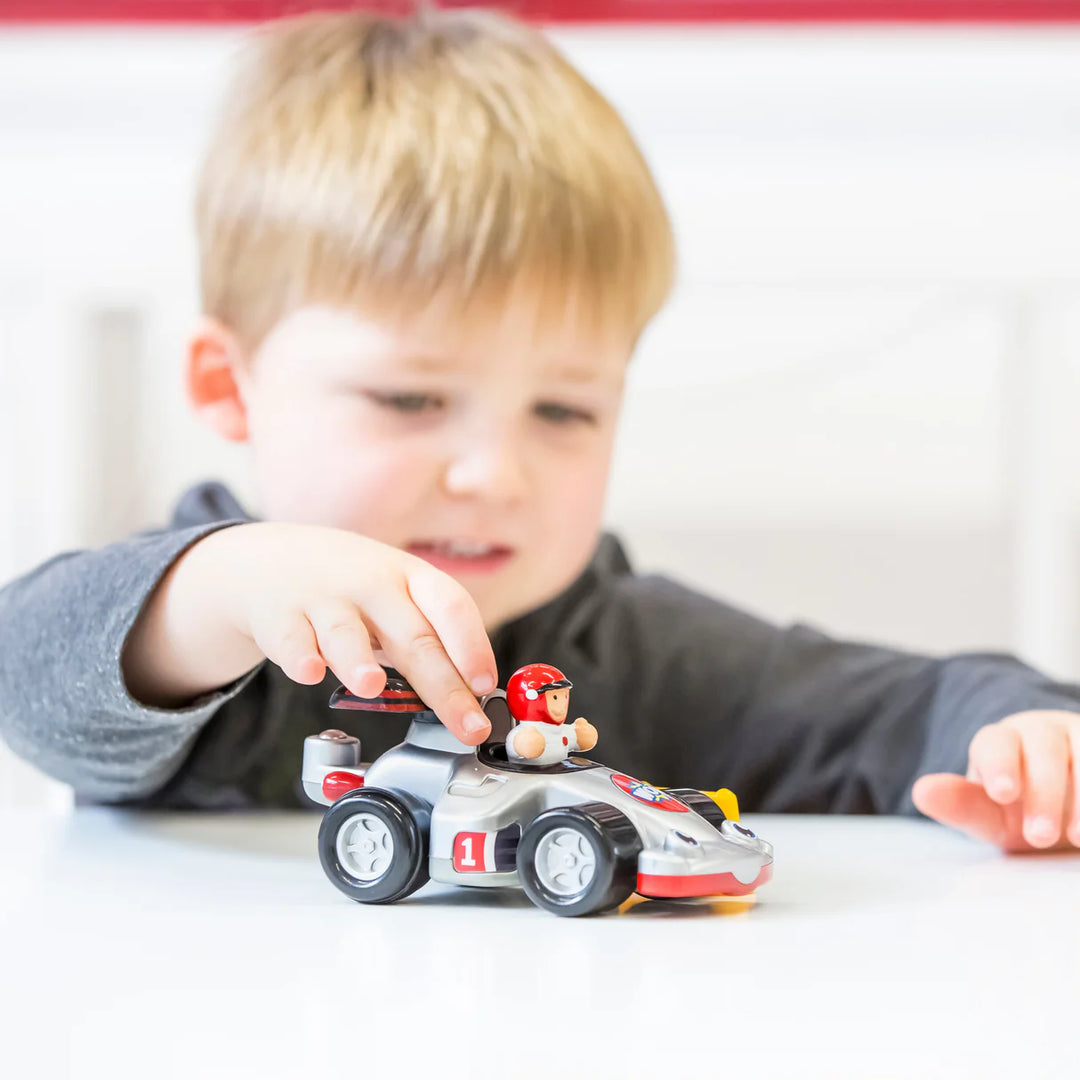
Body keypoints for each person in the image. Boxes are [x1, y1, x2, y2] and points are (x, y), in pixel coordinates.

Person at [0, 8, 1077, 856]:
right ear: (229, 389)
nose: (490, 471)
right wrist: (214, 590)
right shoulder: (217, 625)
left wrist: (1027, 743)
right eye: (409, 400)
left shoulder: (640, 655)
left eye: (563, 410)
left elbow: (918, 704)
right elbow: (31, 674)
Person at [503, 662, 598, 765]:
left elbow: (584, 740)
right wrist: (528, 742)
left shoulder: (562, 731)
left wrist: (582, 734)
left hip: (559, 777)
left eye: (565, 697)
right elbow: (524, 746)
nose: (562, 705)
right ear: (531, 697)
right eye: (555, 697)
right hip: (528, 779)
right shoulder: (521, 734)